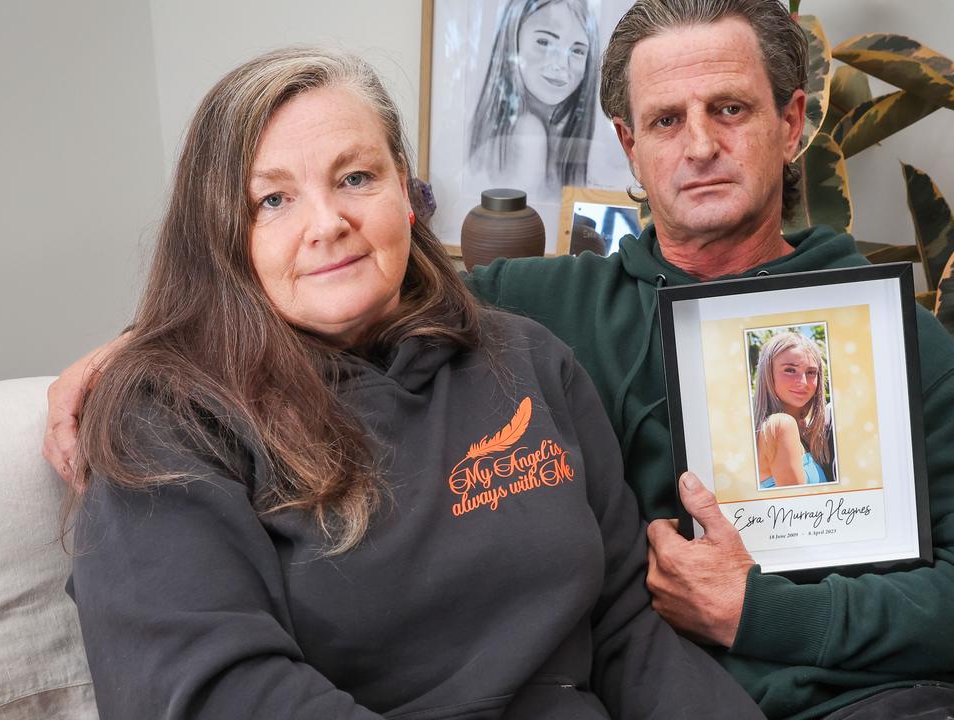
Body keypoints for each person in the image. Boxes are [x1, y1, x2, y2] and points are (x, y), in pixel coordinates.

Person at [45, 2, 954, 718]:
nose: (697, 144)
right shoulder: (537, 307)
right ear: (623, 143)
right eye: (664, 119)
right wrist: (156, 339)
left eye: (730, 110)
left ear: (790, 124)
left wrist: (766, 614)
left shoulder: (889, 334)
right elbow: (342, 281)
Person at [64, 46, 761, 719]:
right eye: (273, 200)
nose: (328, 224)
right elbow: (211, 694)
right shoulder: (164, 424)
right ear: (221, 233)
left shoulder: (528, 358)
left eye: (355, 178)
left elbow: (624, 630)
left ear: (405, 186)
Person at [467, 0, 598, 196]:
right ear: (513, 41)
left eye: (577, 50)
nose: (561, 64)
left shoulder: (533, 129)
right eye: (544, 42)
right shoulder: (528, 134)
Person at [751, 332, 835, 489]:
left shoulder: (805, 431)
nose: (803, 382)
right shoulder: (781, 425)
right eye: (790, 370)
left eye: (811, 372)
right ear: (768, 374)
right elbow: (800, 511)